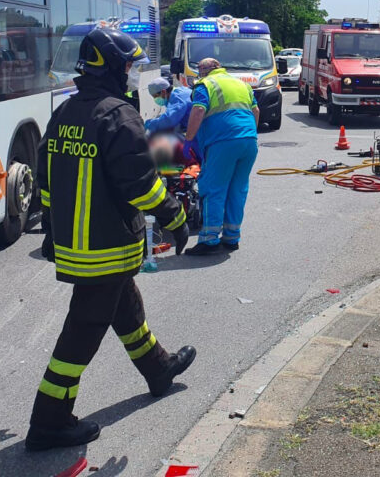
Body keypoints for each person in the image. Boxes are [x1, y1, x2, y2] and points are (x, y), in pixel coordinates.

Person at [27, 26, 195, 451]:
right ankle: (49, 421)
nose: (132, 74)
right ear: (112, 68)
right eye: (128, 67)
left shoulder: (66, 111)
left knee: (126, 308)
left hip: (77, 244)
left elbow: (44, 179)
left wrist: (51, 230)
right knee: (82, 332)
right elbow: (141, 185)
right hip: (106, 246)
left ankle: (158, 369)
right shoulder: (118, 115)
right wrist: (175, 216)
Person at [183, 57, 260, 254]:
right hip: (249, 141)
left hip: (222, 142)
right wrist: (250, 133)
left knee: (213, 188)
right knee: (238, 189)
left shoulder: (205, 85)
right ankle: (232, 237)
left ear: (204, 70)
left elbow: (198, 109)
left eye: (199, 70)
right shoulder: (241, 84)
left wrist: (188, 138)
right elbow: (256, 111)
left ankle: (209, 240)